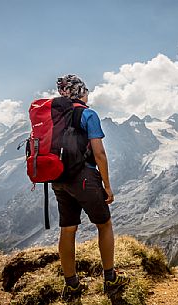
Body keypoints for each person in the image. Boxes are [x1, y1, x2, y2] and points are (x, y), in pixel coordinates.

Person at [52, 74, 129, 300]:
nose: (88, 94)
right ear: (81, 92)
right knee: (104, 224)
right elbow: (99, 154)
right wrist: (107, 185)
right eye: (86, 90)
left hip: (59, 179)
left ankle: (72, 286)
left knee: (68, 229)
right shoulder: (88, 114)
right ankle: (111, 279)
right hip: (84, 177)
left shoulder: (54, 116)